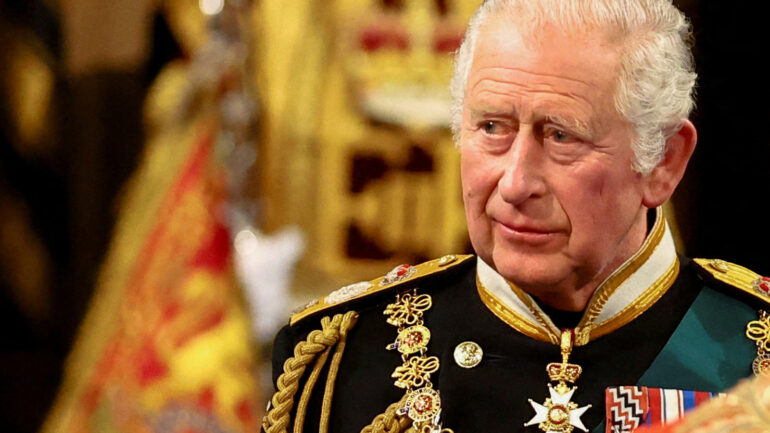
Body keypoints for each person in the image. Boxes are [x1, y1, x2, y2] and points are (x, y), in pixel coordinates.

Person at [262, 1, 770, 433]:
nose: (514, 183)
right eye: (492, 127)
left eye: (561, 136)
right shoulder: (340, 361)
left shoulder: (757, 351)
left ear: (663, 161)